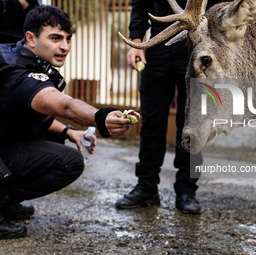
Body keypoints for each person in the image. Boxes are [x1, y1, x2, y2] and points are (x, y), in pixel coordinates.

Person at [0, 5, 131, 239]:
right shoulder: (20, 74)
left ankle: (5, 200)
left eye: (68, 39)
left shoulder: (20, 57)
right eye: (55, 38)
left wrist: (70, 132)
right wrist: (100, 117)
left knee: (55, 139)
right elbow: (64, 105)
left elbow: (25, 115)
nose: (65, 47)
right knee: (69, 161)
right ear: (31, 38)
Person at [115, 0, 223, 214]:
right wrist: (136, 38)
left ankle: (186, 191)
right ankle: (146, 187)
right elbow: (140, 4)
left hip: (197, 47)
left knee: (193, 125)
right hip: (157, 45)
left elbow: (222, 9)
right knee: (151, 122)